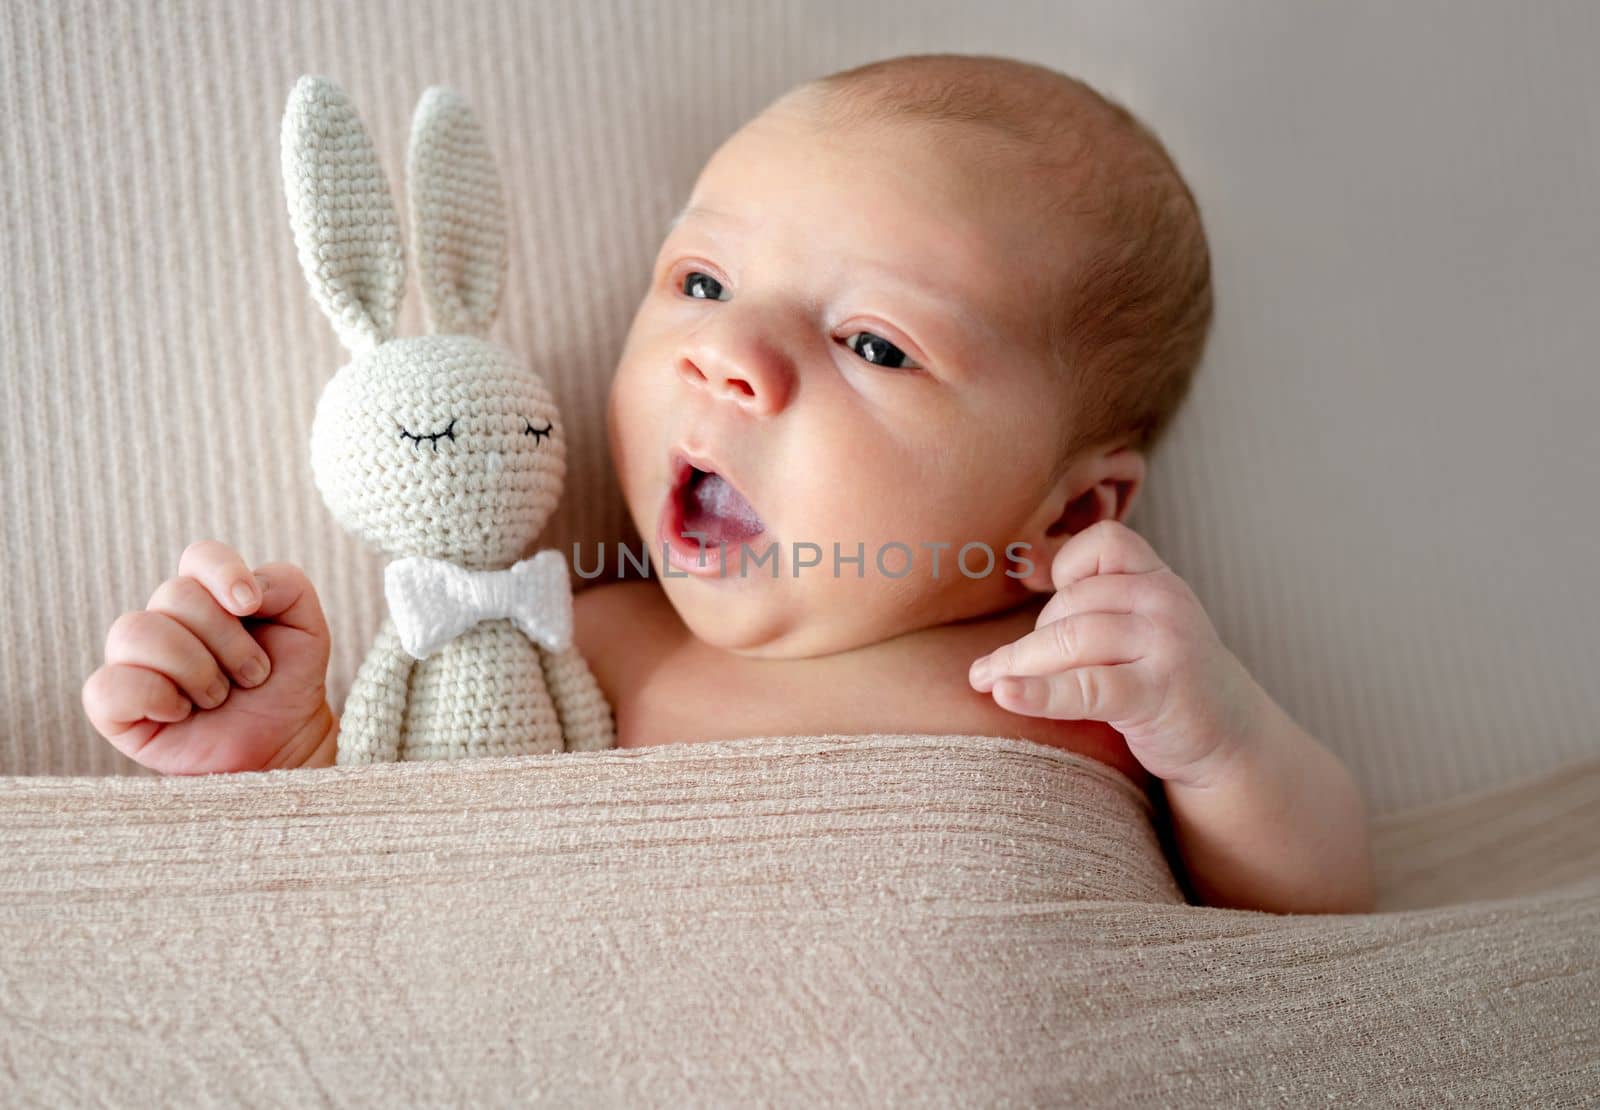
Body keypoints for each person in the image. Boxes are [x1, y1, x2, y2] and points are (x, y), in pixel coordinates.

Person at [82, 54, 1374, 915]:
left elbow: (1312, 908)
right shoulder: (568, 641)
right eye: (702, 282)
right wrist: (287, 754)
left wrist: (1223, 741)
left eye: (874, 343)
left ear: (1070, 519)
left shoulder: (1076, 683)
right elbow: (419, 898)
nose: (728, 357)